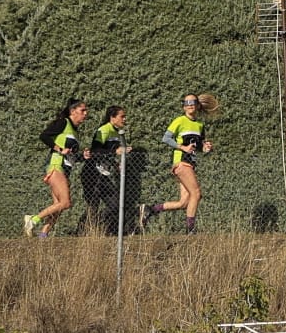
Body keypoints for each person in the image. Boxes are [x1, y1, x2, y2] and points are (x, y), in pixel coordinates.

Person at [140, 92, 217, 233]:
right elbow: (166, 138)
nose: (190, 105)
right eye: (186, 103)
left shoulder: (200, 125)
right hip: (181, 162)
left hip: (191, 164)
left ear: (198, 105)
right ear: (183, 107)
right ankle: (190, 229)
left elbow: (199, 146)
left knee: (184, 202)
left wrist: (206, 148)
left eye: (193, 102)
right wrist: (183, 147)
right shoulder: (180, 121)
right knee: (196, 193)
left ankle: (151, 209)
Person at [26, 98, 88, 237]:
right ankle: (33, 219)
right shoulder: (64, 123)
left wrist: (83, 156)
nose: (86, 113)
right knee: (65, 203)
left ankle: (43, 235)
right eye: (82, 110)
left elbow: (70, 155)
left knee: (58, 206)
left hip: (65, 169)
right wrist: (59, 149)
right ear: (73, 111)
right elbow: (44, 136)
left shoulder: (75, 131)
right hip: (56, 165)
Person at [84, 105, 130, 232]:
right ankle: (85, 232)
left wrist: (116, 164)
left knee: (115, 204)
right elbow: (96, 149)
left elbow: (109, 153)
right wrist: (116, 150)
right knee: (93, 205)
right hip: (92, 172)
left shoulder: (117, 132)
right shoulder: (104, 129)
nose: (125, 119)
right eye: (122, 116)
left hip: (104, 174)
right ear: (112, 118)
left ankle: (98, 227)